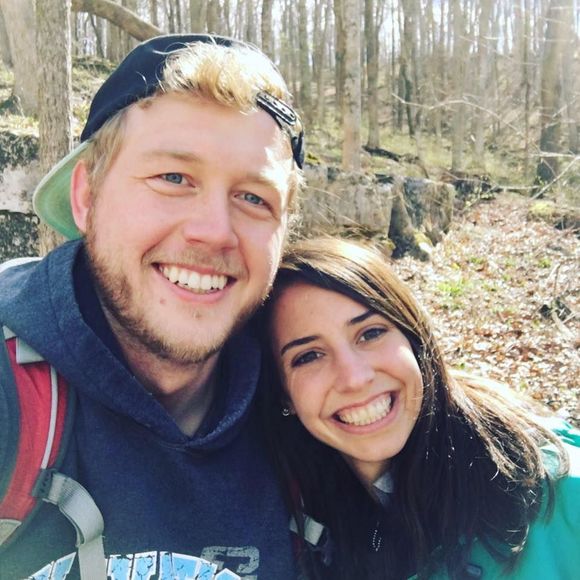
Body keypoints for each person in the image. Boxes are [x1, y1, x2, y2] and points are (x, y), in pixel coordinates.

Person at [0, 34, 304, 579]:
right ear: (87, 197)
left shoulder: (313, 406)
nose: (215, 231)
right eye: (173, 178)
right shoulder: (13, 394)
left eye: (253, 198)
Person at [260, 237, 580, 580]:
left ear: (414, 337)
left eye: (370, 333)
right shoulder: (291, 519)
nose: (354, 378)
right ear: (284, 396)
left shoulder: (560, 495)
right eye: (309, 356)